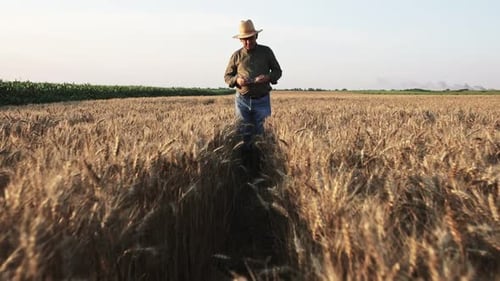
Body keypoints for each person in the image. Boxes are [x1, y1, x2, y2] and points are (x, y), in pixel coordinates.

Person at [224, 19, 282, 150]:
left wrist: (267, 77)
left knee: (261, 135)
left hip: (262, 100)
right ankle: (245, 165)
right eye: (244, 39)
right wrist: (237, 80)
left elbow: (278, 71)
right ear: (240, 40)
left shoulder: (266, 52)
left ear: (256, 36)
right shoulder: (236, 56)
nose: (248, 42)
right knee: (243, 135)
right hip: (242, 101)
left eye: (250, 38)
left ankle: (259, 164)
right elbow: (227, 76)